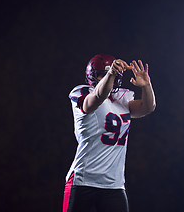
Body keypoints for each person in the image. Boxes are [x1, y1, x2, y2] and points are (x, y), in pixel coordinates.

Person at [63, 54, 156, 212]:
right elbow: (97, 97)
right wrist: (111, 73)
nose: (106, 78)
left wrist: (146, 86)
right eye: (102, 74)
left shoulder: (122, 98)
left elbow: (148, 107)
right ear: (92, 77)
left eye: (110, 74)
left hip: (114, 184)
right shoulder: (82, 92)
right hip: (83, 180)